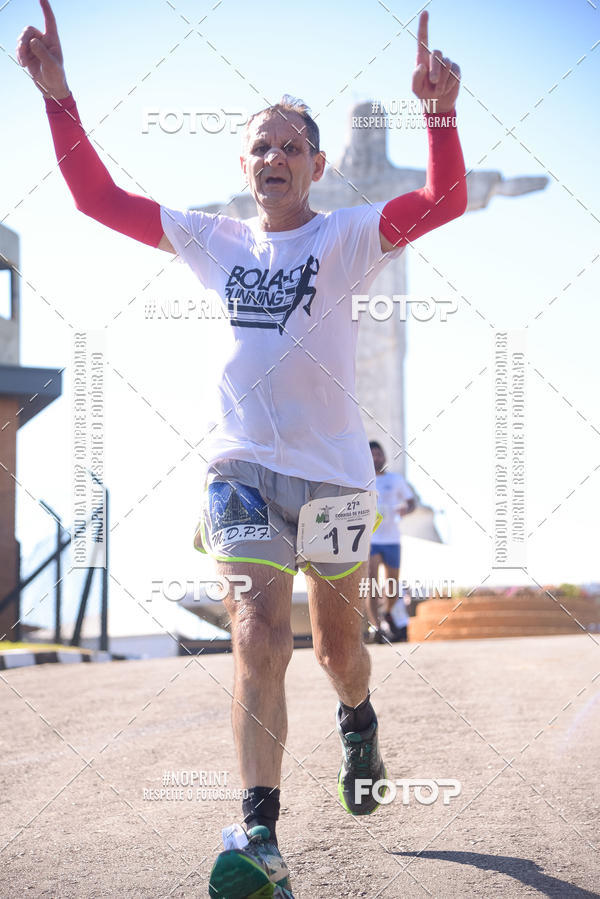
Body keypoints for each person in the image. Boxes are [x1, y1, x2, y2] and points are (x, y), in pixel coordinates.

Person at [17, 3, 466, 895]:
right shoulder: (215, 239)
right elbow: (97, 201)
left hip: (337, 480)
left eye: (290, 145)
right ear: (244, 166)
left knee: (341, 652)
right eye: (260, 146)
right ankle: (260, 834)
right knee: (259, 633)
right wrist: (59, 98)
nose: (274, 158)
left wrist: (441, 114)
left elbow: (444, 200)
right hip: (240, 472)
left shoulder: (347, 235)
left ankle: (358, 718)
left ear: (317, 165)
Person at [368, 441, 416, 643]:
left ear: (384, 457)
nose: (375, 458)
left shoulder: (395, 480)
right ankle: (376, 626)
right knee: (370, 584)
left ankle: (387, 614)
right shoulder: (361, 481)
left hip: (392, 539)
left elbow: (412, 502)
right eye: (371, 455)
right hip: (370, 539)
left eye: (379, 454)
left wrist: (405, 510)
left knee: (392, 585)